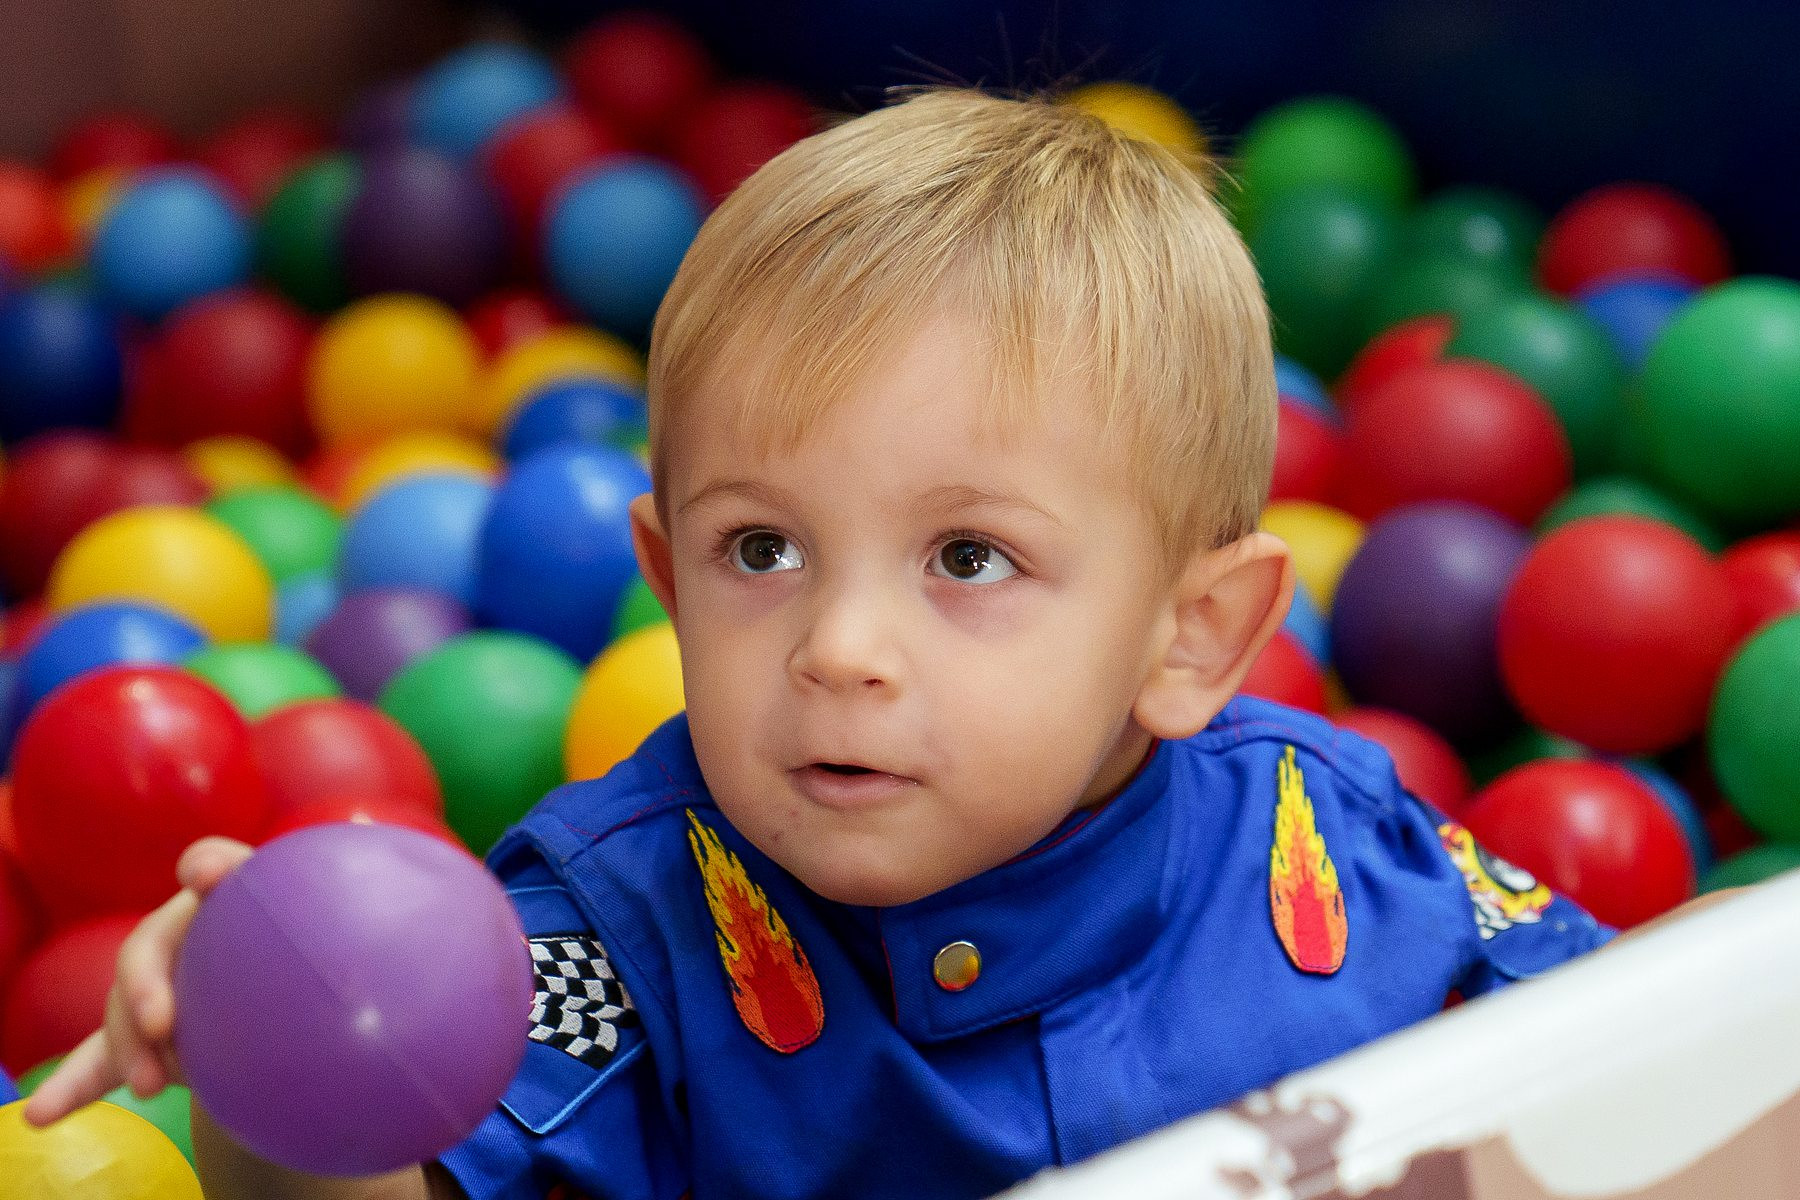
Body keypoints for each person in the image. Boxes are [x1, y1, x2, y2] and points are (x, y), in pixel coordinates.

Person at [26, 88, 1616, 1199]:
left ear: (1190, 636)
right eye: (761, 551)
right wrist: (280, 1060)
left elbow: (1644, 1047)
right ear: (666, 582)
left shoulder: (1333, 845)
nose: (839, 648)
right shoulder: (621, 938)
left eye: (970, 558)